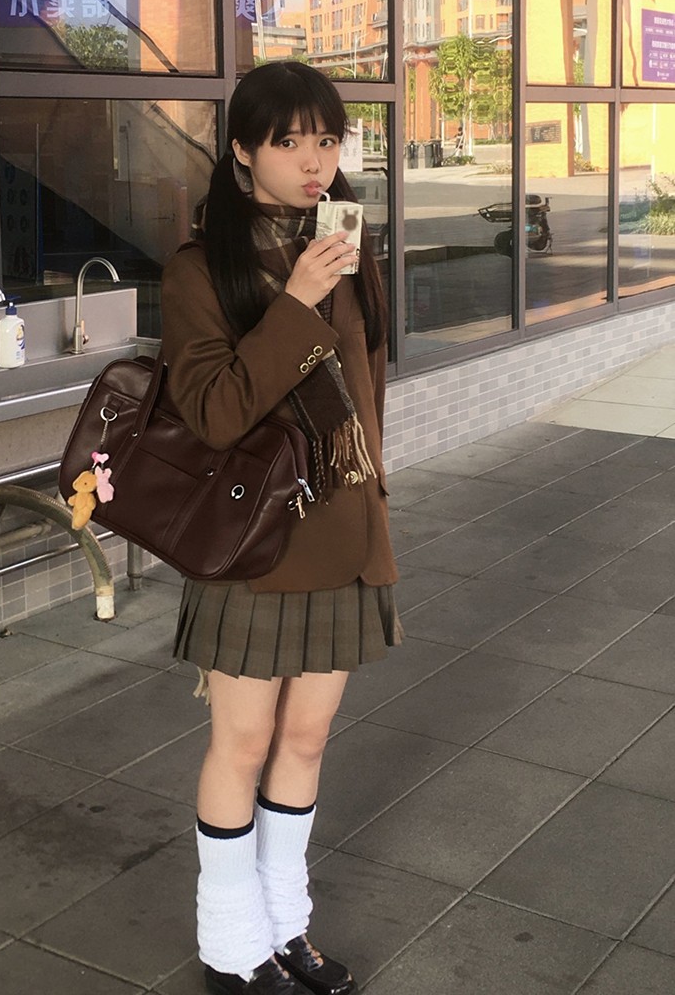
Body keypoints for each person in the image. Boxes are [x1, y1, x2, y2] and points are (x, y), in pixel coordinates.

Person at [160, 61, 402, 995]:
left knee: (306, 739)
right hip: (251, 544)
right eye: (290, 141)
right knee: (243, 742)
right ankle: (232, 947)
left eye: (327, 140)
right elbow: (217, 412)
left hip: (341, 533)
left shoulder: (348, 249)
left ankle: (285, 927)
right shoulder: (200, 271)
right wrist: (296, 300)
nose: (314, 161)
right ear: (241, 151)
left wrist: (376, 510)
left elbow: (368, 394)